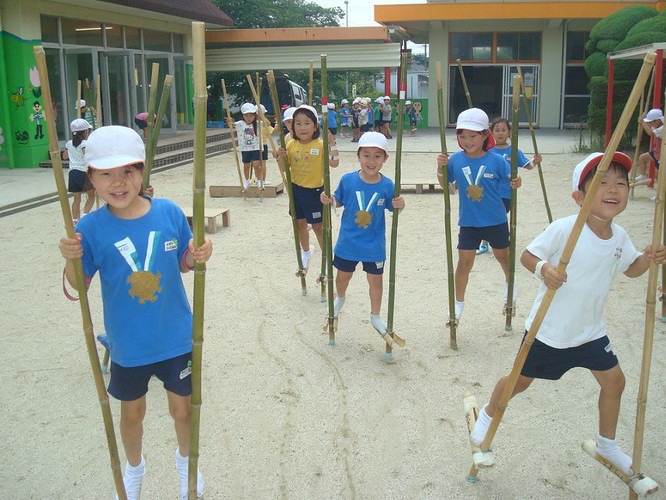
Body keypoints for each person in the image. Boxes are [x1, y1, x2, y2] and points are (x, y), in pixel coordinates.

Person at [469, 151, 665, 477]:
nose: (614, 189)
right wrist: (545, 269)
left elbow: (632, 268)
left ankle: (607, 444)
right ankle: (488, 414)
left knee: (615, 382)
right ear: (579, 196)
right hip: (549, 331)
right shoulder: (566, 229)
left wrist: (649, 257)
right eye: (602, 183)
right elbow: (529, 256)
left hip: (589, 331)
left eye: (621, 183)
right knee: (519, 382)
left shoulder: (620, 237)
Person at [58, 125, 213, 499]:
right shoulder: (90, 227)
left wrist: (196, 256)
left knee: (182, 410)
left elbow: (181, 261)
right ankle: (134, 467)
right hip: (127, 343)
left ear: (142, 171)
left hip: (176, 336)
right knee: (132, 414)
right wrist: (70, 260)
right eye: (106, 173)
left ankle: (185, 463)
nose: (118, 182)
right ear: (90, 177)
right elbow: (77, 288)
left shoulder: (169, 211)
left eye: (128, 170)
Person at [436, 108, 521, 321]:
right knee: (464, 263)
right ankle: (457, 306)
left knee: (503, 258)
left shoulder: (498, 160)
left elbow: (511, 179)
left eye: (473, 135)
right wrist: (440, 170)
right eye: (462, 135)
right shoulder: (455, 160)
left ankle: (511, 289)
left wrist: (516, 182)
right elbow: (447, 186)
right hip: (469, 222)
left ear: (485, 135)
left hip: (496, 220)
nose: (467, 140)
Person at [321, 132, 404, 344]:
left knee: (375, 281)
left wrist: (399, 205)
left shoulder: (387, 185)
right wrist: (328, 199)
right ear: (358, 156)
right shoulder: (347, 180)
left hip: (374, 246)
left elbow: (393, 209)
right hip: (348, 243)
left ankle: (375, 316)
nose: (371, 161)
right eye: (366, 155)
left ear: (385, 159)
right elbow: (337, 201)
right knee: (342, 276)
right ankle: (340, 298)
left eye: (377, 156)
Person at [276, 104, 339, 270]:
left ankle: (326, 256)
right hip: (296, 190)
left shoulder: (320, 144)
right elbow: (283, 168)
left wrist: (331, 144)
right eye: (298, 123)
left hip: (316, 192)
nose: (302, 127)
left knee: (318, 226)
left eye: (307, 123)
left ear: (315, 126)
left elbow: (334, 163)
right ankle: (306, 251)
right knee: (299, 223)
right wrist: (280, 157)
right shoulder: (290, 145)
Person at [474, 117, 542, 255]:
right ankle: (485, 243)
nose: (500, 133)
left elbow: (527, 165)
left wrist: (535, 161)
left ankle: (500, 243)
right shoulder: (487, 150)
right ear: (491, 132)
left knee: (498, 216)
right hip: (488, 191)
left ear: (509, 132)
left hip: (506, 192)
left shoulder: (514, 150)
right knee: (486, 215)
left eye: (504, 130)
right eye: (497, 130)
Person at [64, 118, 95, 221]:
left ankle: (75, 220)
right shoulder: (84, 144)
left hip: (72, 172)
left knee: (76, 199)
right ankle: (84, 216)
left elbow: (64, 156)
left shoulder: (68, 143)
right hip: (83, 172)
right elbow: (87, 157)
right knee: (91, 196)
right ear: (85, 132)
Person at [228, 103, 261, 190]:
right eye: (246, 116)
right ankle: (246, 180)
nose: (249, 118)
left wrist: (260, 116)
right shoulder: (240, 123)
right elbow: (231, 125)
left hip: (255, 148)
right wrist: (230, 121)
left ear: (254, 116)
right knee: (246, 166)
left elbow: (268, 124)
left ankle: (258, 180)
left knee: (256, 165)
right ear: (243, 116)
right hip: (245, 149)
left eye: (251, 116)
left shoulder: (257, 123)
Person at [635, 108, 663, 189]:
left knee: (658, 174)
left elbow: (650, 133)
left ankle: (659, 194)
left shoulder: (662, 128)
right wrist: (644, 119)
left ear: (657, 121)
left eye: (651, 122)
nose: (650, 124)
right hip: (657, 152)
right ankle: (642, 175)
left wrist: (643, 122)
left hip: (661, 155)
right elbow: (651, 129)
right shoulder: (658, 126)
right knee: (642, 157)